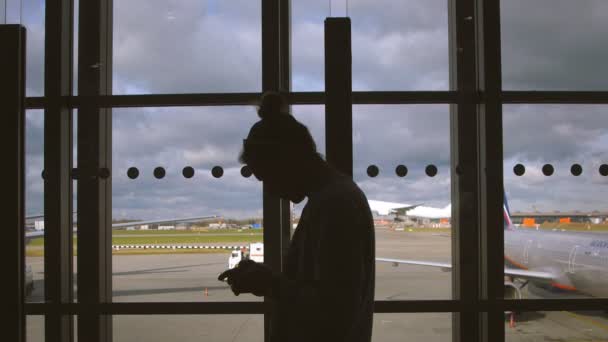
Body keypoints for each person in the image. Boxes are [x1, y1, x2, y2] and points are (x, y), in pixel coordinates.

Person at [218, 91, 375, 342]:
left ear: (288, 159)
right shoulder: (331, 198)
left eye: (267, 176)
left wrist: (269, 283)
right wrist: (270, 279)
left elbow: (334, 311)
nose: (269, 190)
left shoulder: (334, 205)